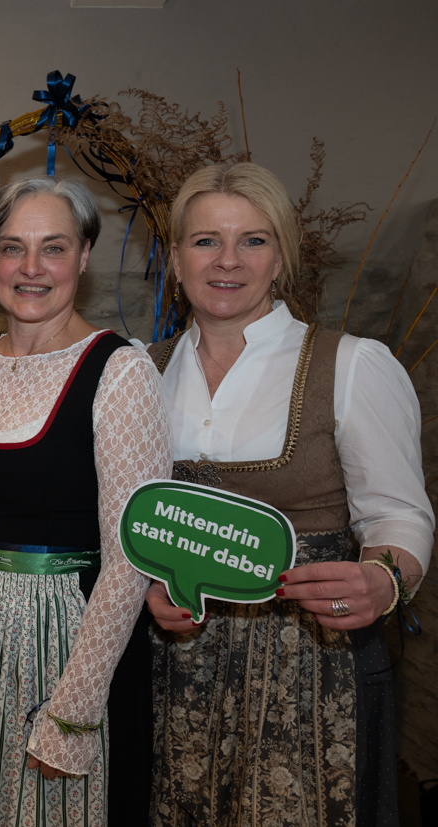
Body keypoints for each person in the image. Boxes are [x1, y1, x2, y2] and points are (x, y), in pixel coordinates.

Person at [145, 162, 432, 827]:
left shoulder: (351, 363)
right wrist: (147, 588)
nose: (227, 260)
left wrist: (384, 580)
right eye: (205, 240)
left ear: (280, 259)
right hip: (174, 667)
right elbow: (131, 523)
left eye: (253, 239)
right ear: (177, 258)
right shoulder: (142, 370)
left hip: (313, 662)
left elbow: (399, 514)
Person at [0, 177, 173, 827]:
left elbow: (131, 558)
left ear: (84, 255)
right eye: (11, 247)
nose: (29, 268)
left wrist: (74, 709)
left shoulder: (121, 370)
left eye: (52, 248)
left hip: (62, 640)